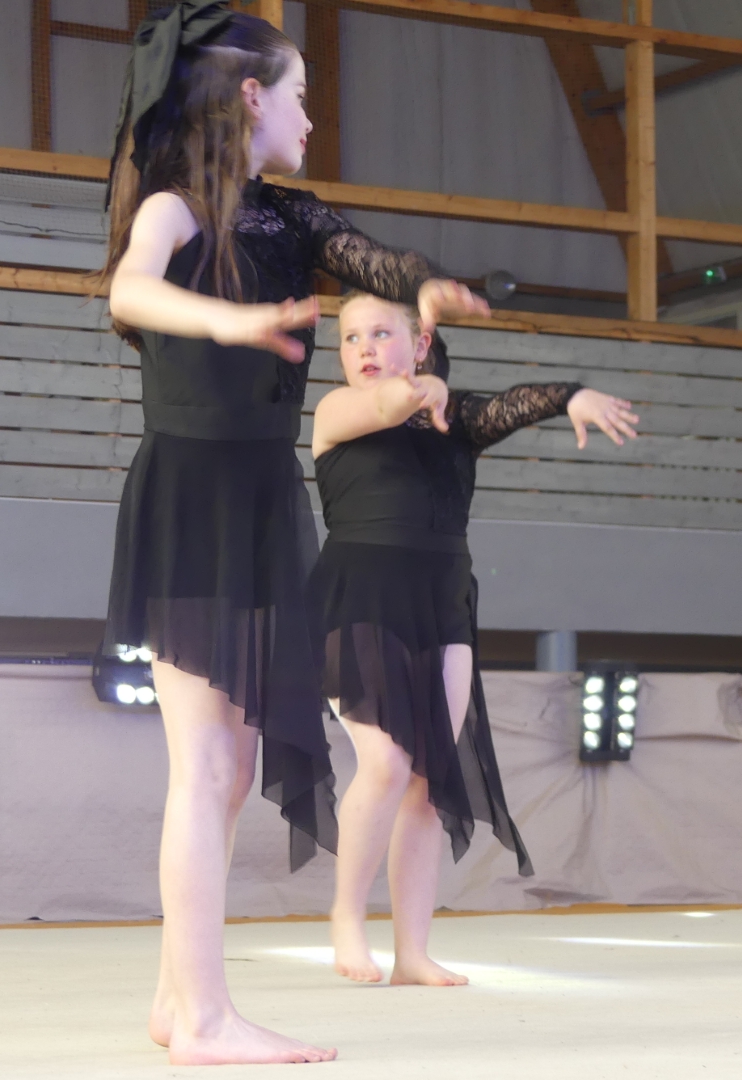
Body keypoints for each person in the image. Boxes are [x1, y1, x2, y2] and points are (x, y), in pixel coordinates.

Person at [97, 3, 476, 1063]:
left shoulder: (292, 218)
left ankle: (177, 1002)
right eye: (300, 98)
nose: (311, 119)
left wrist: (423, 284)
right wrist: (228, 319)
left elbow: (369, 256)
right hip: (195, 489)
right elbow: (130, 287)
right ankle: (203, 1017)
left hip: (263, 491)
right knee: (206, 766)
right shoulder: (175, 209)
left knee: (227, 766)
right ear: (252, 97)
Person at [311, 291, 639, 986]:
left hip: (444, 601)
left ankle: (412, 951)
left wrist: (571, 396)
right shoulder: (336, 410)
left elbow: (509, 406)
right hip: (361, 595)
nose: (363, 349)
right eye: (350, 338)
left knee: (428, 781)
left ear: (420, 342)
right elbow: (390, 404)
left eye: (381, 334)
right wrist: (423, 388)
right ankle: (346, 916)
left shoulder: (453, 420)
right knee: (385, 763)